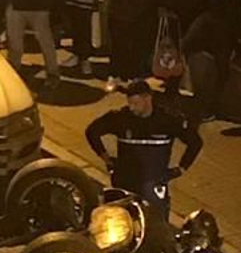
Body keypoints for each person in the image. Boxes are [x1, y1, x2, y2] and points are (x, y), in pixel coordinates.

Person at [85, 78, 202, 218]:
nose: (132, 107)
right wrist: (105, 157)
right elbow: (92, 131)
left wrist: (182, 168)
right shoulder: (121, 118)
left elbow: (195, 142)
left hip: (153, 184)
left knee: (156, 223)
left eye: (135, 103)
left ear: (147, 99)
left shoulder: (167, 120)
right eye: (130, 103)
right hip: (124, 182)